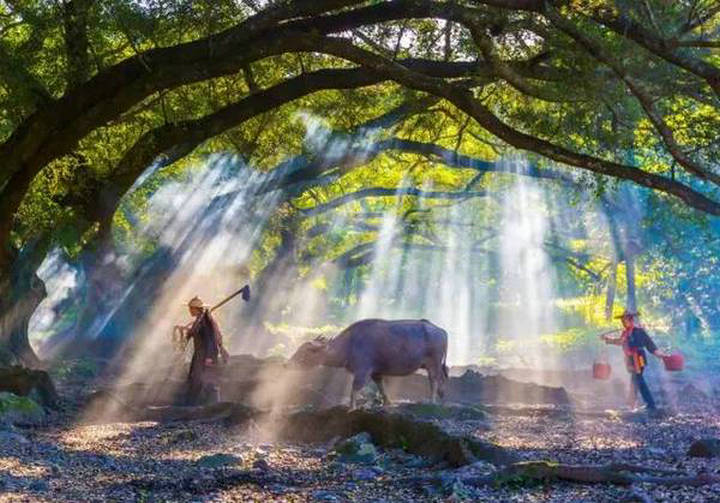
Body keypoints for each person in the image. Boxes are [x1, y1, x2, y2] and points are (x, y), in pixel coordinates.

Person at [602, 310, 667, 411]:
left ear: (631, 320)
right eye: (622, 321)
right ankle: (633, 405)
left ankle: (650, 404)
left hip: (639, 358)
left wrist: (660, 355)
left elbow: (650, 345)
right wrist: (608, 339)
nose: (623, 323)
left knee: (638, 380)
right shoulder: (625, 333)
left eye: (625, 320)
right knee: (635, 380)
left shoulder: (639, 331)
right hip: (630, 359)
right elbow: (620, 342)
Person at [175, 296, 229, 405]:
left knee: (208, 380)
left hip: (206, 355)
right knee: (195, 379)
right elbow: (193, 333)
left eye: (191, 308)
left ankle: (213, 405)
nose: (189, 311)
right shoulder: (199, 320)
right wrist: (185, 330)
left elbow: (211, 339)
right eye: (189, 308)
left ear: (196, 309)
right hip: (199, 355)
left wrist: (209, 357)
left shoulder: (206, 322)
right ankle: (192, 405)